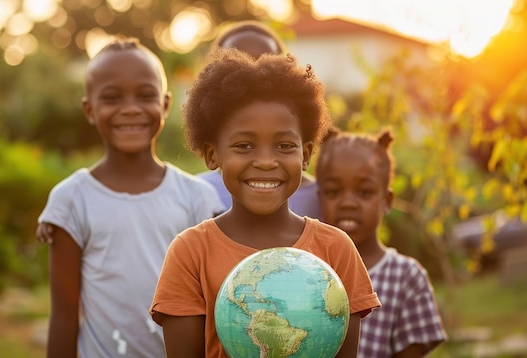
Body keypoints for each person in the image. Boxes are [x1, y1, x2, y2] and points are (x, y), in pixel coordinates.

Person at [149, 47, 381, 358]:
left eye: (284, 145)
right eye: (244, 145)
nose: (266, 161)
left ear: (307, 154)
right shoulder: (190, 253)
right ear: (212, 154)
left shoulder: (337, 250)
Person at [38, 38, 224, 357]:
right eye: (111, 98)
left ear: (165, 105)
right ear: (89, 109)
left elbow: (215, 306)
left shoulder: (198, 198)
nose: (130, 108)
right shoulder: (71, 200)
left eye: (145, 95)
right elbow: (64, 317)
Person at [315, 128, 447, 357]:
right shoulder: (305, 268)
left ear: (386, 201)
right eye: (334, 191)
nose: (348, 203)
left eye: (364, 193)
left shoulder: (406, 277)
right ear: (320, 197)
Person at [195, 20, 322, 219]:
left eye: (265, 66)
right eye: (234, 66)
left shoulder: (319, 198)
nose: (252, 78)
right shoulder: (195, 194)